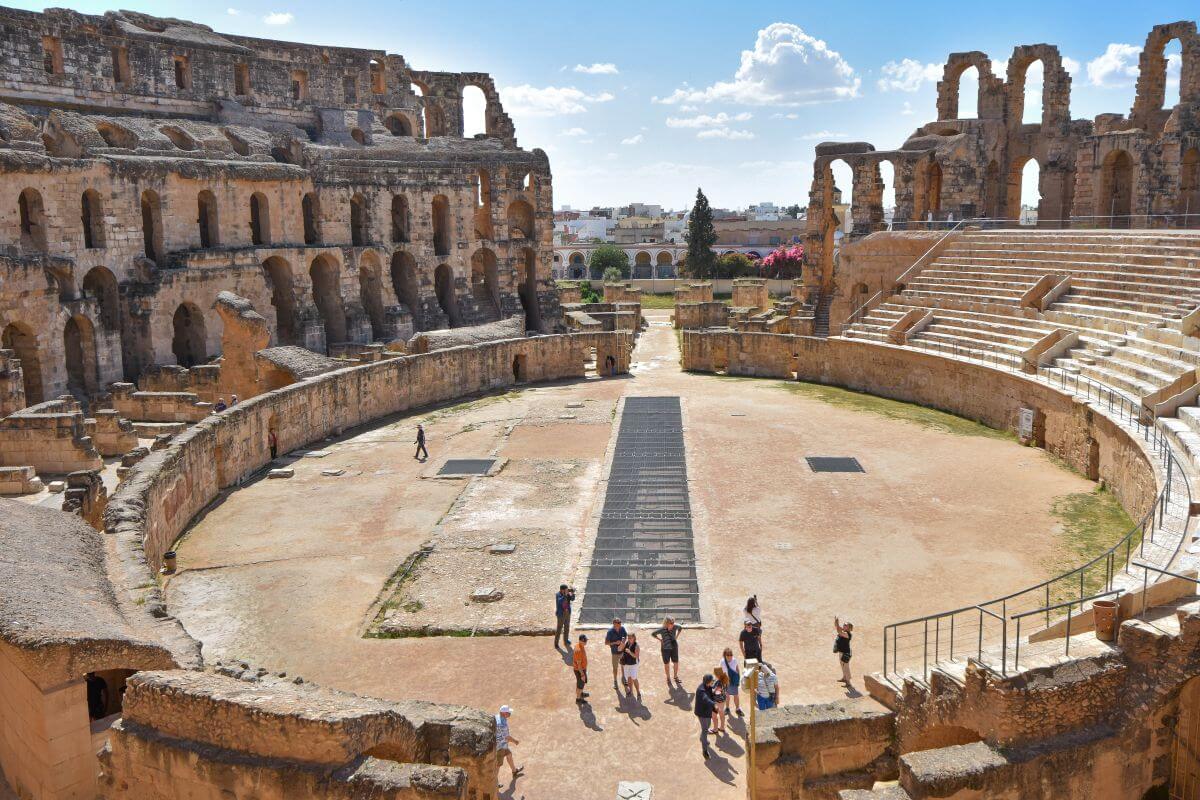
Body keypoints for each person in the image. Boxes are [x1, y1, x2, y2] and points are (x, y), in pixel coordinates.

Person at [652, 616, 683, 685]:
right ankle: (668, 678)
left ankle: (675, 676)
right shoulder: (662, 629)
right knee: (666, 663)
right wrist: (660, 640)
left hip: (674, 646)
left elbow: (680, 628)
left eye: (673, 623)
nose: (672, 624)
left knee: (676, 662)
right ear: (666, 623)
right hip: (665, 648)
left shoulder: (675, 626)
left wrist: (676, 636)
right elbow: (653, 634)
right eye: (671, 623)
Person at [694, 674, 717, 760]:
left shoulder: (708, 686)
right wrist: (714, 704)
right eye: (712, 681)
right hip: (701, 713)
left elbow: (711, 696)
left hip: (707, 711)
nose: (713, 682)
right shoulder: (701, 690)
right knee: (705, 730)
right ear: (707, 682)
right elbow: (706, 698)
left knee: (707, 726)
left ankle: (702, 737)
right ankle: (704, 751)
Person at [494, 705, 521, 777]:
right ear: (503, 713)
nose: (510, 714)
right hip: (500, 747)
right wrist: (515, 741)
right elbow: (507, 737)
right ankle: (494, 783)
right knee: (498, 765)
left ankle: (514, 771)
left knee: (509, 755)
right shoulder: (502, 724)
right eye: (508, 712)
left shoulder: (497, 717)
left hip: (502, 744)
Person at [719, 647, 744, 717]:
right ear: (724, 655)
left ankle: (737, 709)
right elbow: (720, 672)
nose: (730, 657)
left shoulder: (734, 660)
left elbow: (737, 669)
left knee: (736, 695)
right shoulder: (722, 662)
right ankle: (727, 708)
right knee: (727, 696)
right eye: (728, 655)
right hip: (726, 682)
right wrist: (724, 681)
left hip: (733, 682)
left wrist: (738, 679)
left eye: (731, 655)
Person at [605, 618, 628, 691]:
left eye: (620, 623)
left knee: (623, 665)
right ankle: (615, 681)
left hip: (622, 651)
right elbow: (606, 643)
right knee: (615, 668)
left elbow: (625, 636)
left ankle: (623, 677)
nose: (620, 624)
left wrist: (623, 642)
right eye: (618, 623)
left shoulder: (622, 629)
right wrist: (615, 643)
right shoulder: (610, 632)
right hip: (614, 653)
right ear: (614, 624)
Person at [620, 632, 642, 701]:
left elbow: (636, 656)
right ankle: (631, 691)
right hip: (627, 664)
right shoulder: (626, 643)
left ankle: (638, 692)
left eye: (630, 638)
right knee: (629, 678)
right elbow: (619, 649)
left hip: (633, 665)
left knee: (634, 678)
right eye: (628, 638)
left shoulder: (636, 646)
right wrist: (622, 643)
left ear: (634, 638)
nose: (629, 639)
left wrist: (629, 652)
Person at [553, 585, 576, 649]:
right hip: (561, 614)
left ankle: (566, 640)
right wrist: (565, 595)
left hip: (567, 613)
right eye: (566, 589)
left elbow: (572, 599)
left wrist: (573, 593)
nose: (567, 590)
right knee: (559, 628)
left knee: (567, 627)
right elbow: (560, 601)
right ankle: (556, 643)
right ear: (562, 590)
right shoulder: (558, 594)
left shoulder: (567, 593)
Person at [835, 617, 854, 684]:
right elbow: (838, 628)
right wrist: (836, 622)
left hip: (845, 653)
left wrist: (837, 624)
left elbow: (838, 631)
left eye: (845, 625)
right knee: (842, 666)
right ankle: (844, 677)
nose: (844, 625)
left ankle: (848, 682)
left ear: (848, 628)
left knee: (846, 667)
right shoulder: (844, 631)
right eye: (844, 624)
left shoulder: (847, 634)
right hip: (841, 652)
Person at [572, 634, 589, 704]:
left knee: (580, 684)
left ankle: (581, 693)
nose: (586, 642)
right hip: (580, 670)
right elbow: (579, 665)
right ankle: (578, 699)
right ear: (581, 641)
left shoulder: (579, 645)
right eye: (584, 641)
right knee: (580, 685)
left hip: (581, 669)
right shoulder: (578, 650)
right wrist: (582, 675)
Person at [712, 667, 729, 735]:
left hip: (717, 702)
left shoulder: (718, 682)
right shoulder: (725, 679)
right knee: (721, 713)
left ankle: (715, 729)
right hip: (723, 700)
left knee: (714, 716)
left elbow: (716, 692)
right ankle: (722, 727)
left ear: (716, 674)